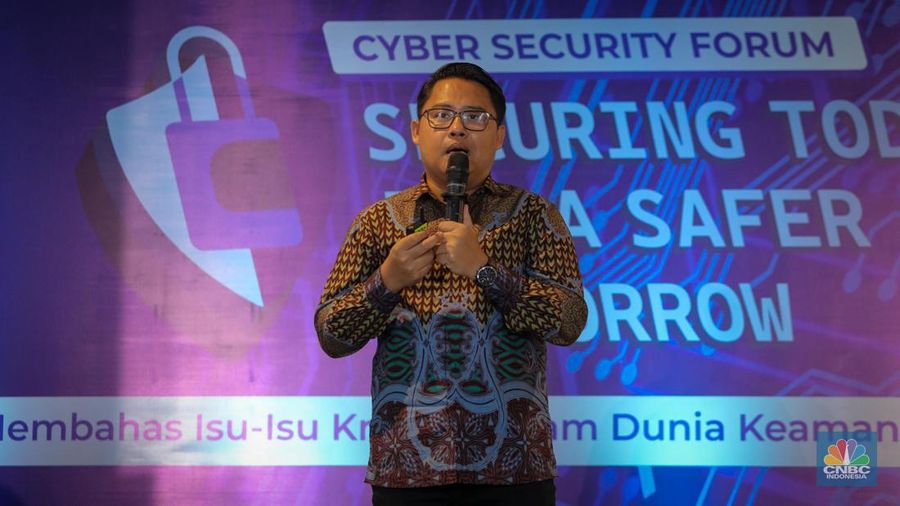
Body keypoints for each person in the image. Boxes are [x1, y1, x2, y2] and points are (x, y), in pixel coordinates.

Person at [315, 62, 587, 506]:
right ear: (416, 131)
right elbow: (331, 335)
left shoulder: (534, 215)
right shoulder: (378, 222)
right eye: (441, 115)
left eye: (475, 117)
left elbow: (569, 321)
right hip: (406, 468)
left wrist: (484, 269)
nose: (457, 129)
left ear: (499, 136)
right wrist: (387, 281)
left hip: (515, 469)